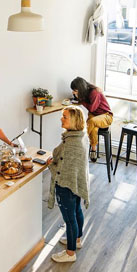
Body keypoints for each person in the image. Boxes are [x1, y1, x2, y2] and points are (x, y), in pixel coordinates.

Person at [47, 106, 90, 263]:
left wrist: (50, 165)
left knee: (69, 219)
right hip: (76, 183)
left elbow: (62, 169)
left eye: (65, 117)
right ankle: (77, 240)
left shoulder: (71, 144)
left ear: (74, 120)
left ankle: (70, 253)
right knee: (77, 211)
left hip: (66, 185)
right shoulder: (80, 136)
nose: (61, 119)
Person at [70, 77, 113, 162]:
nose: (74, 92)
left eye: (75, 90)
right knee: (93, 129)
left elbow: (92, 108)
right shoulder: (86, 92)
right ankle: (93, 150)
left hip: (106, 116)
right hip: (94, 116)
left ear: (80, 88)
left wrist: (81, 100)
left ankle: (78, 140)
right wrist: (76, 96)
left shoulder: (94, 92)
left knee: (92, 121)